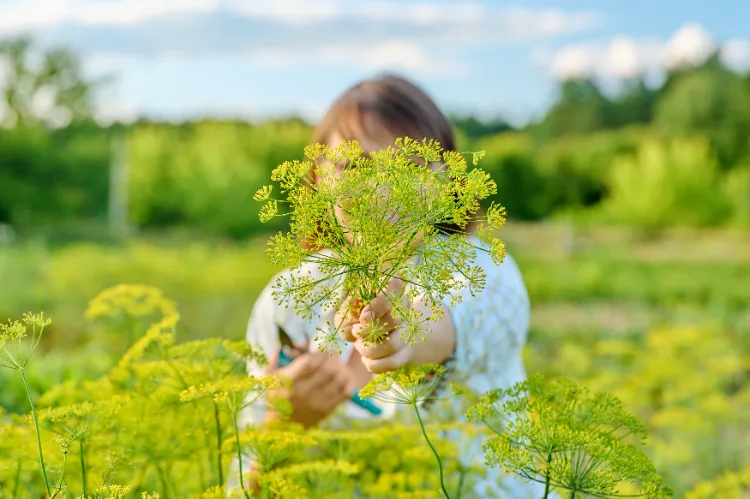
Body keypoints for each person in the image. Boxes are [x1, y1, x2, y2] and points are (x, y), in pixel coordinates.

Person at [237, 74, 544, 498]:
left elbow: (441, 325)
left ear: (445, 180)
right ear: (317, 181)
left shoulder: (483, 267)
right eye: (355, 166)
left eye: (407, 166)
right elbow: (248, 489)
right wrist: (285, 423)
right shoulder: (288, 299)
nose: (380, 188)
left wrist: (403, 333)